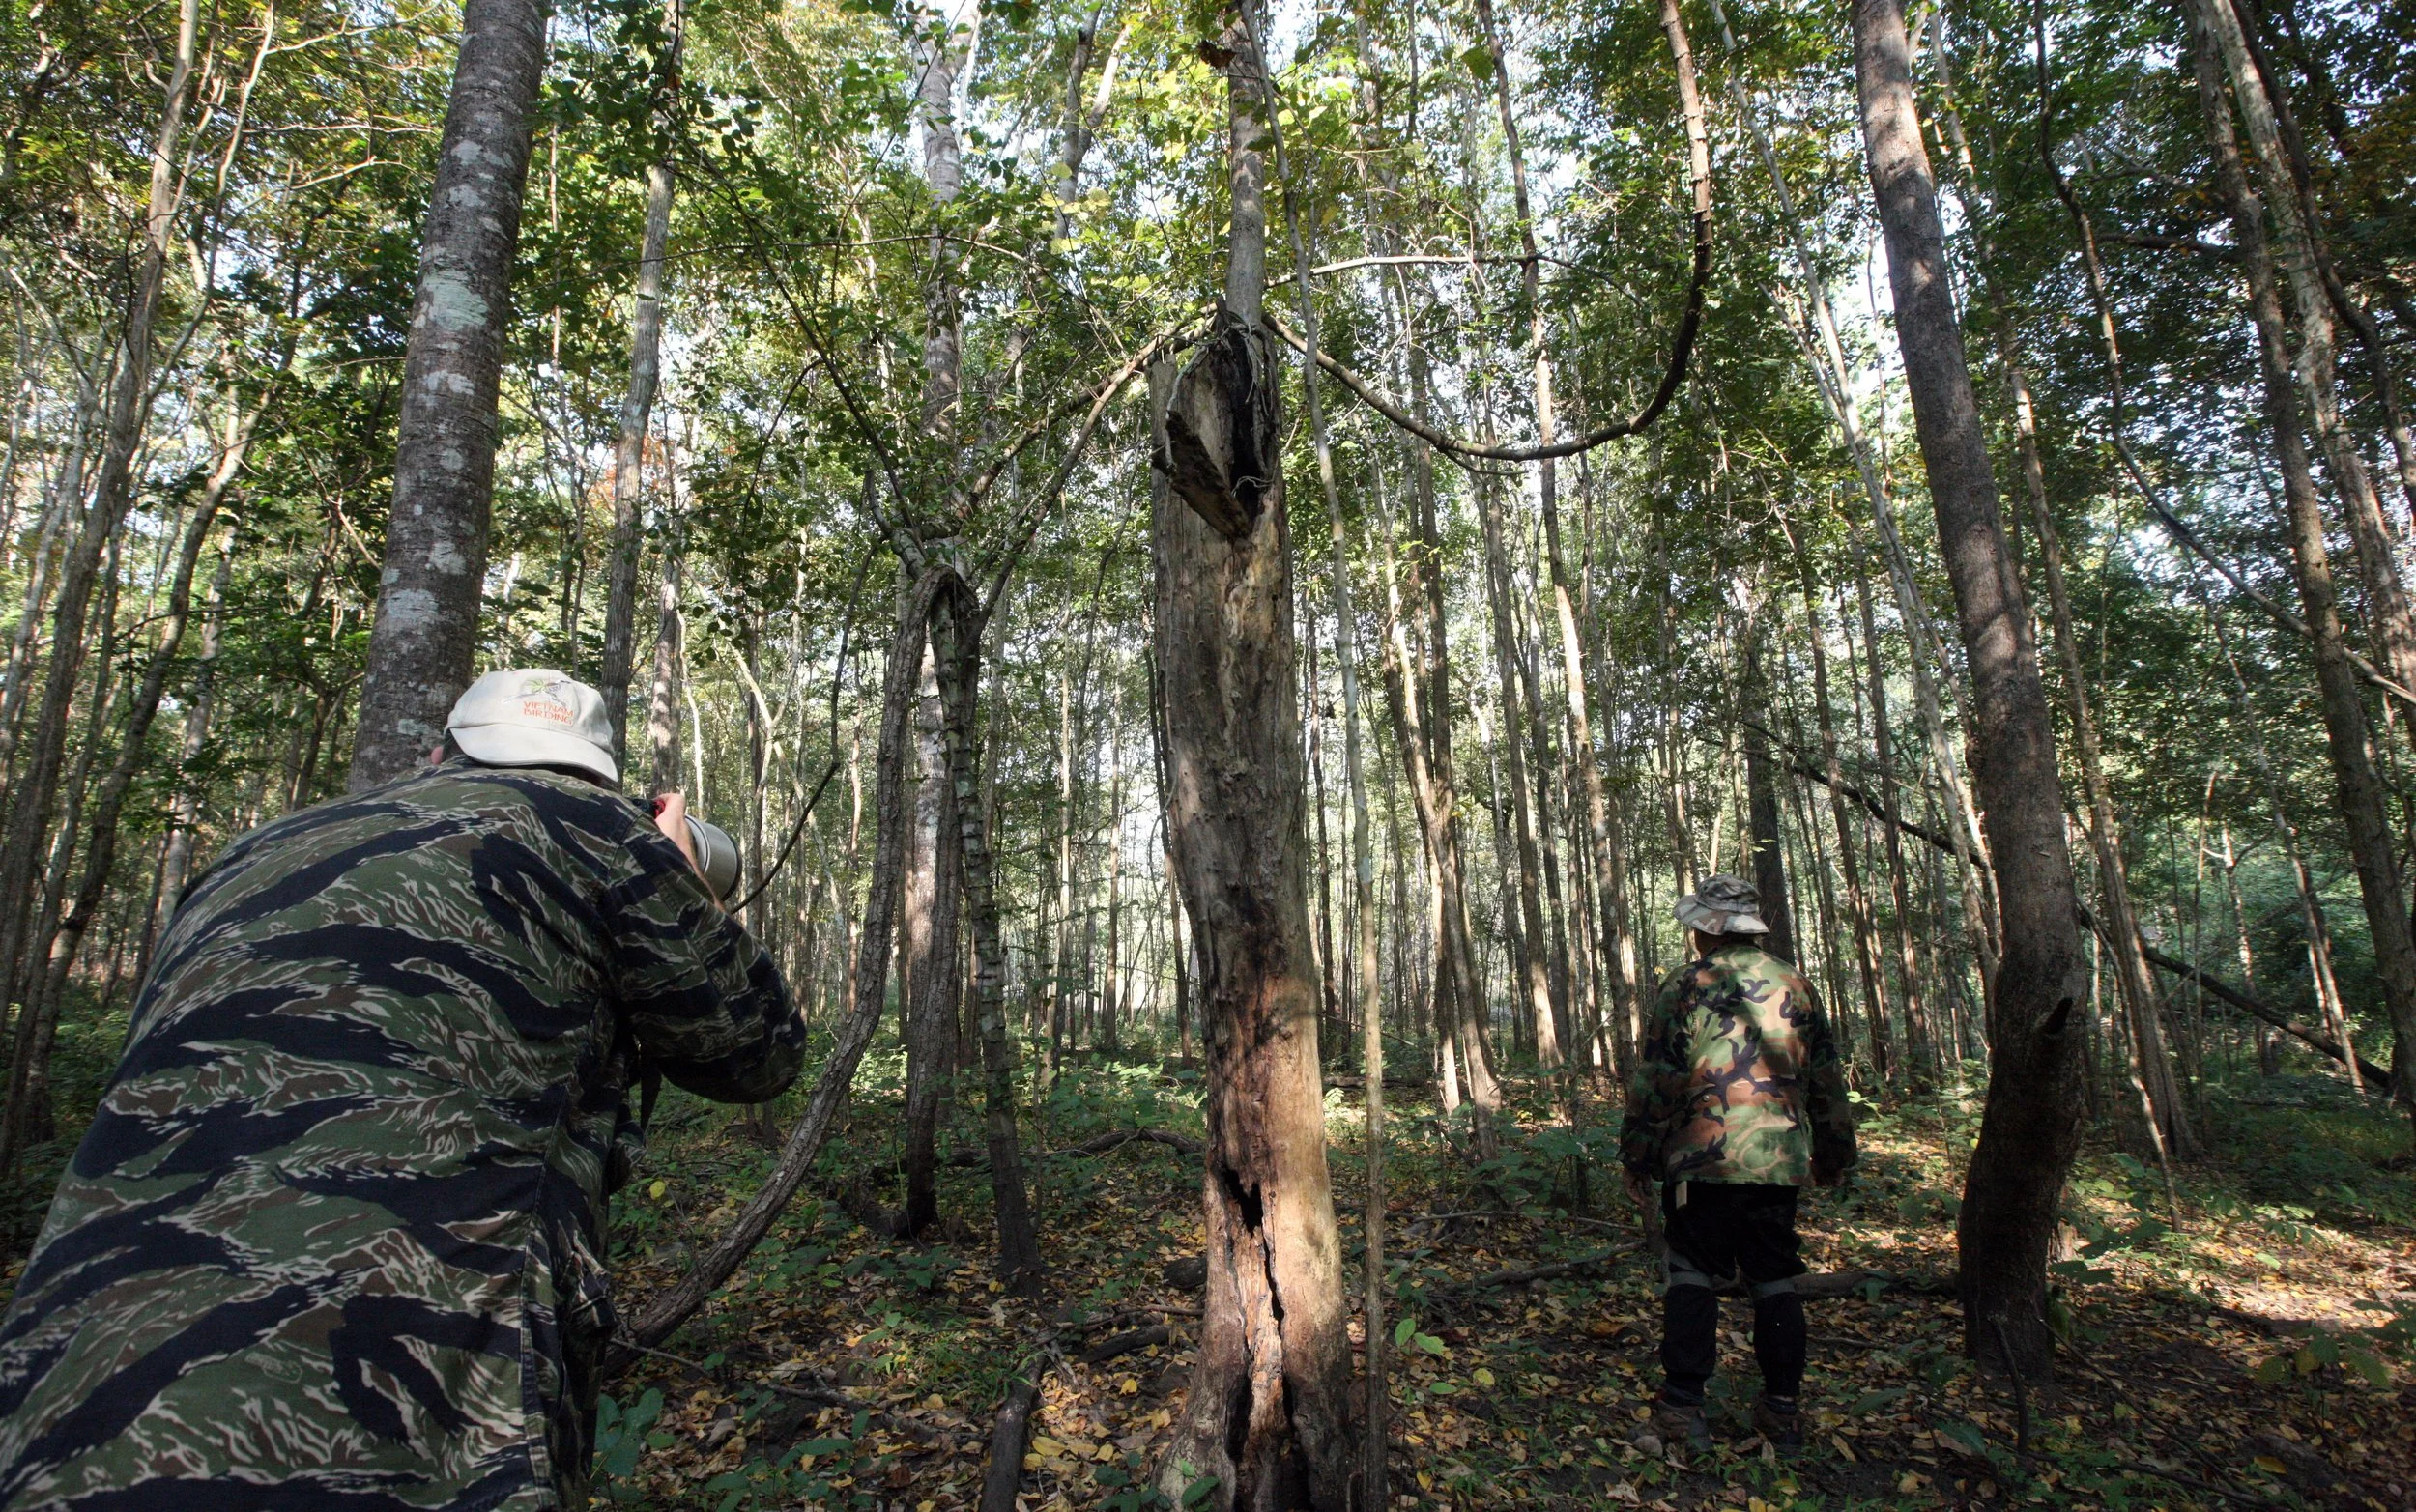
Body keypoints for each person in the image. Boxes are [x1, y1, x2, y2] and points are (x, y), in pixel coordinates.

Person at [0, 670, 803, 1511]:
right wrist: (679, 877)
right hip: (412, 1401)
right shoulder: (602, 830)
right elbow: (758, 1054)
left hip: (75, 1381)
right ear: (598, 779)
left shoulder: (252, 851)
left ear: (435, 755)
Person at [1619, 873, 1855, 1454]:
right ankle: (1781, 1410)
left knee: (1692, 1271)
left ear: (1706, 930)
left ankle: (1682, 1408)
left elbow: (1660, 1077)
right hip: (1776, 1160)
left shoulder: (1687, 984)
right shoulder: (1795, 984)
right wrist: (1834, 1152)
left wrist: (1637, 1155)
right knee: (1774, 1275)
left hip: (1703, 1159)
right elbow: (1825, 1076)